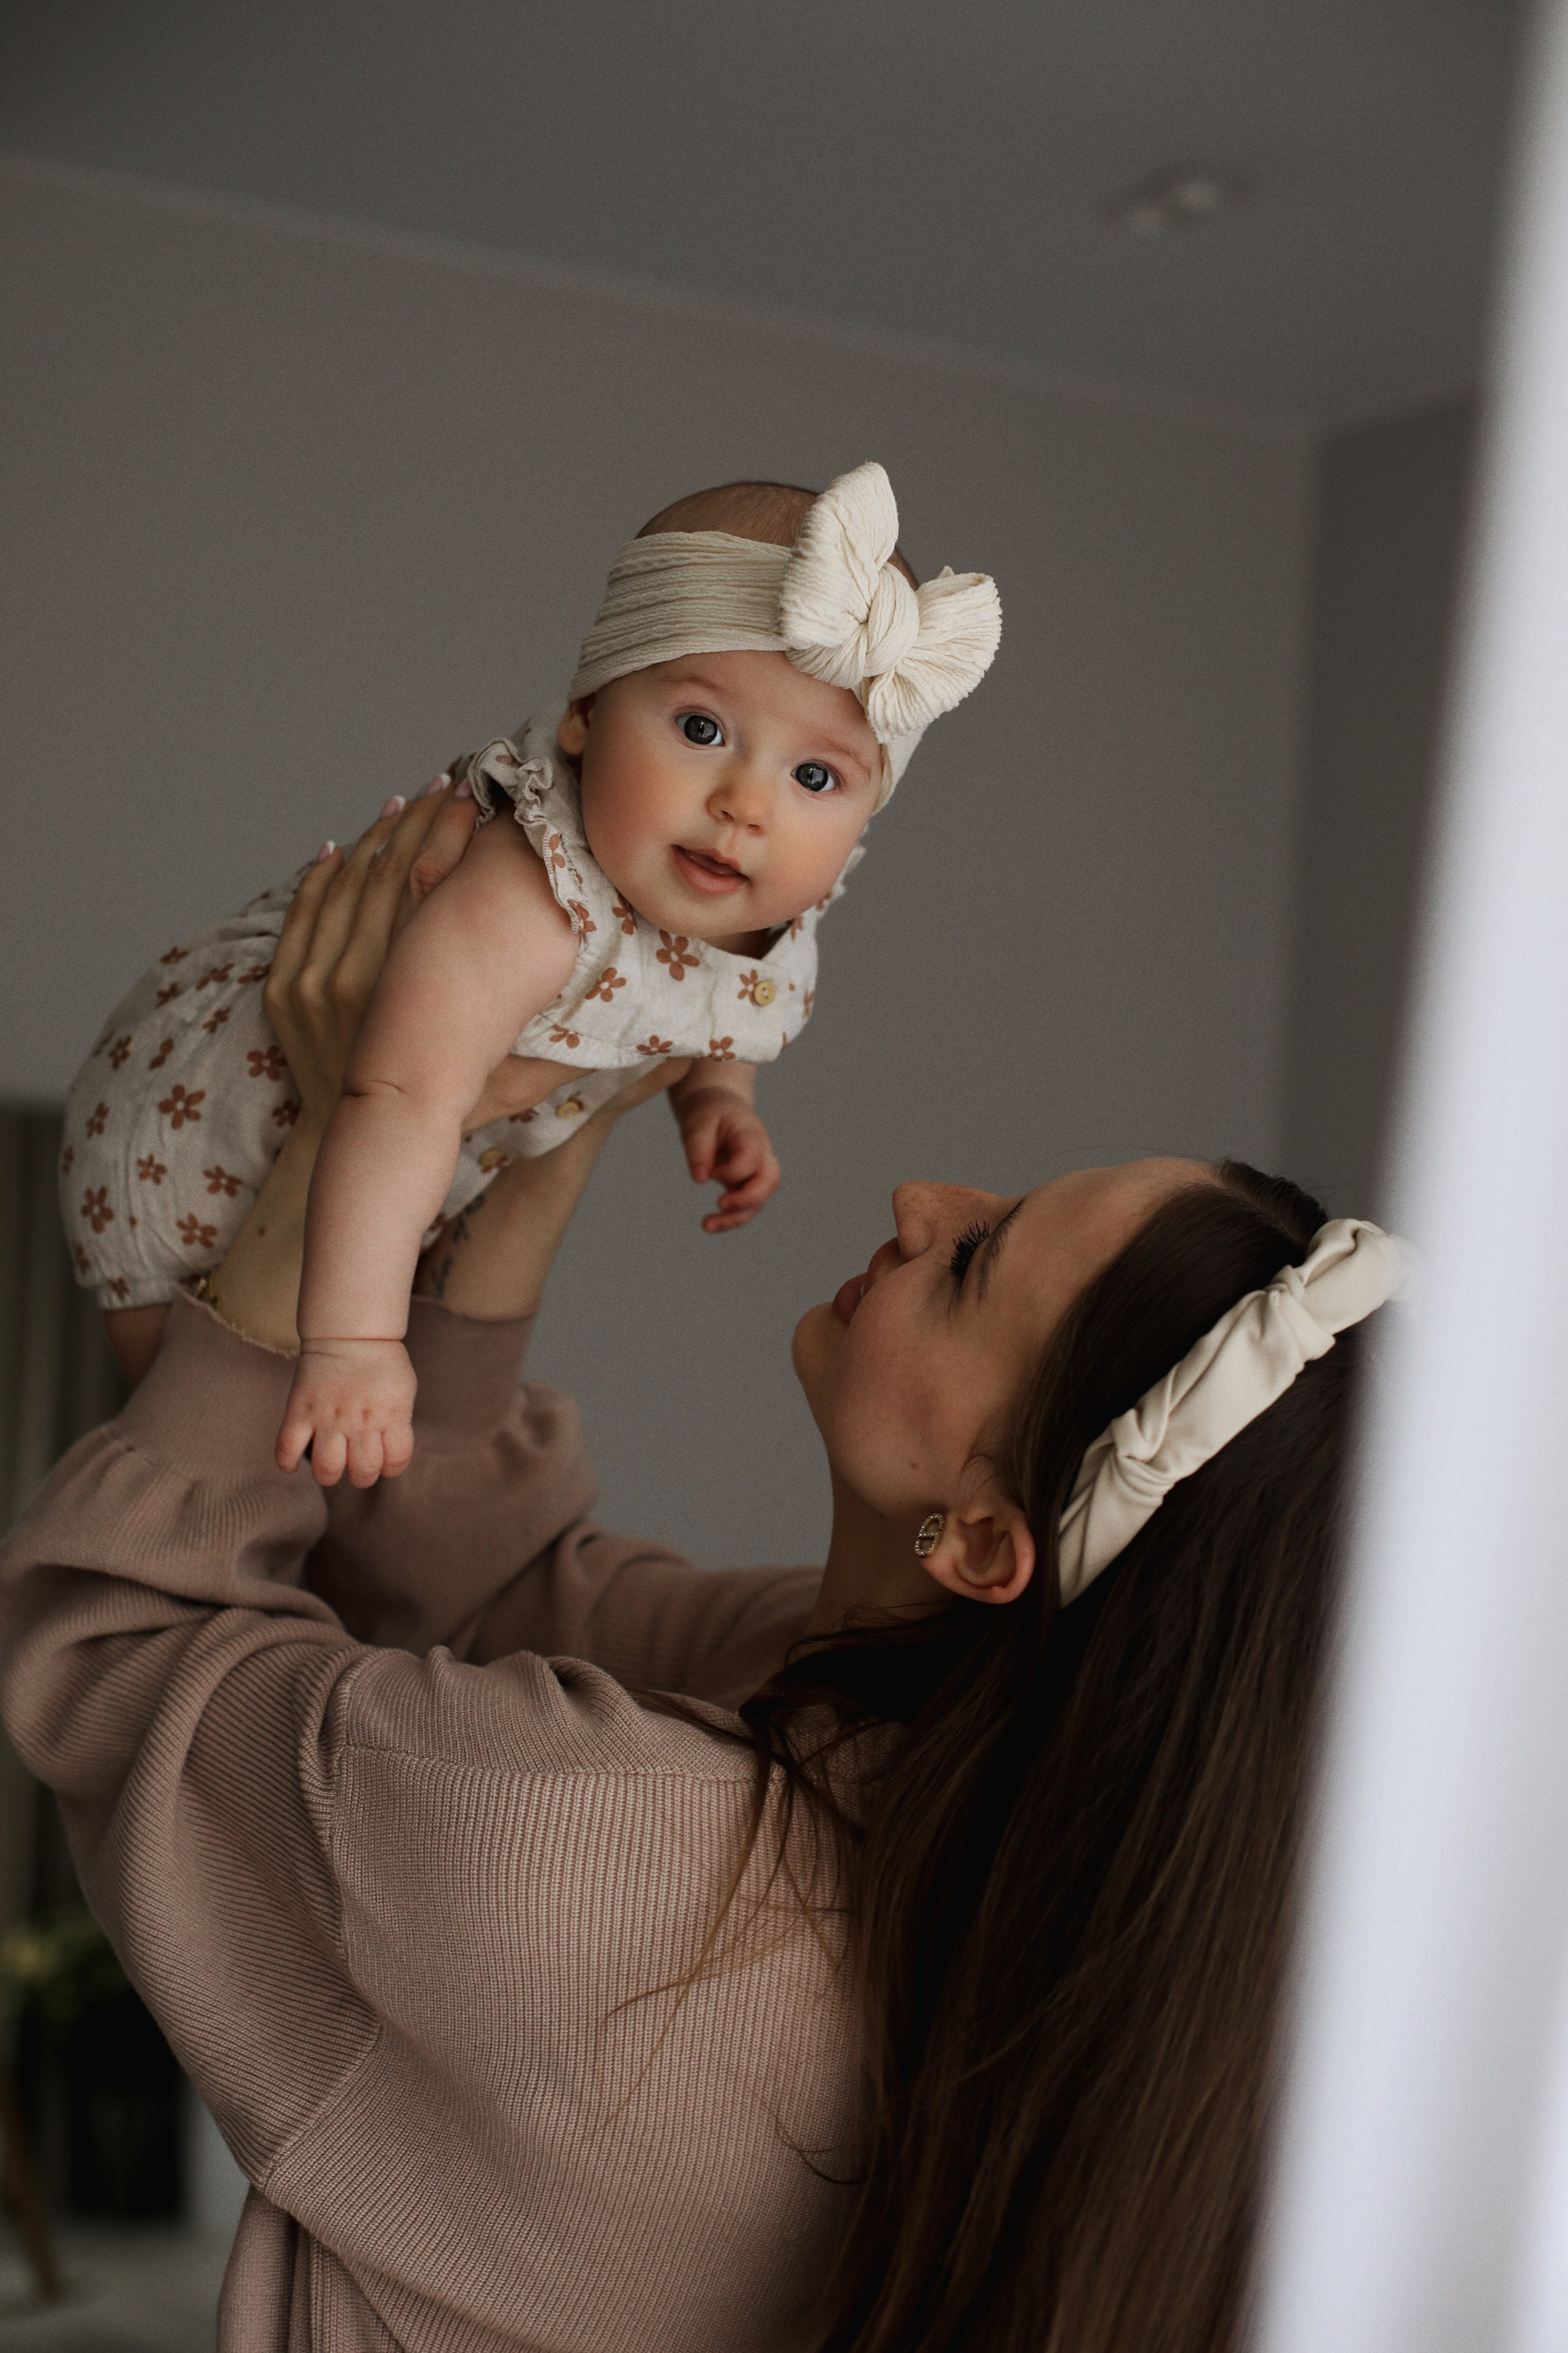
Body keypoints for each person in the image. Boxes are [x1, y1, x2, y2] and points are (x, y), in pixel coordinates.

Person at [2, 799, 1405, 2353]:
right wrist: (553, 1131)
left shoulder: (606, 1850)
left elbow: (115, 1644)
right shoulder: (949, 1785)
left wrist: (352, 1137)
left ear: (990, 1541)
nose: (920, 1199)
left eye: (973, 1260)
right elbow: (491, 1591)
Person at [58, 461, 1003, 1487]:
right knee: (198, 1462)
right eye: (702, 729)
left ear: (867, 811)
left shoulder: (757, 904)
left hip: (388, 1182)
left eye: (814, 776)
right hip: (192, 1131)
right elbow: (396, 1094)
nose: (745, 803)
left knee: (300, 1479)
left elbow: (709, 1000)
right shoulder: (534, 896)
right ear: (587, 715)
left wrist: (717, 1093)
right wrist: (359, 1348)